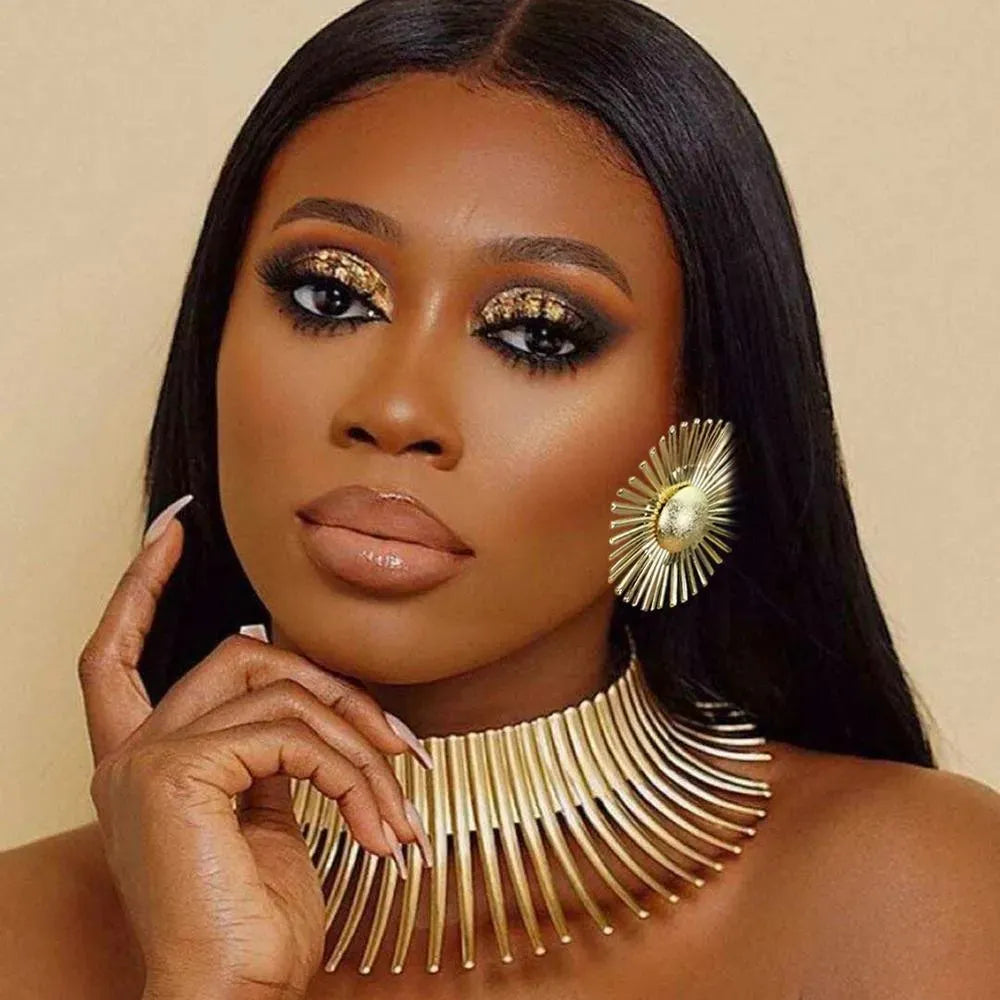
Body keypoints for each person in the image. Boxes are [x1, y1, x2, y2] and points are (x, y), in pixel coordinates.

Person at [2, 0, 999, 996]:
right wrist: (211, 977)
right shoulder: (25, 934)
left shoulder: (910, 898)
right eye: (330, 296)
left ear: (694, 431)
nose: (395, 409)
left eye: (536, 334)